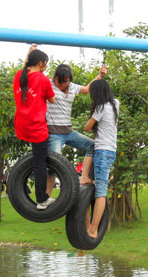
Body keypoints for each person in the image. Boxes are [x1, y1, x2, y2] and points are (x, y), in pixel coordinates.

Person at [45, 64, 107, 196]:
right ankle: (46, 197)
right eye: (60, 81)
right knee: (54, 165)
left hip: (69, 132)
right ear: (55, 77)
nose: (62, 84)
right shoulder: (47, 84)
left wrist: (100, 76)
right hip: (54, 133)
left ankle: (85, 177)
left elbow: (88, 89)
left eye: (66, 81)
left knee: (94, 146)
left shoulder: (72, 86)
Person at [13, 45, 56, 210]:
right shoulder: (43, 80)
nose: (46, 67)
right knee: (40, 162)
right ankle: (41, 199)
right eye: (45, 64)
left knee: (34, 159)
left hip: (21, 125)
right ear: (40, 63)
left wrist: (29, 52)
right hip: (36, 127)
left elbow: (26, 66)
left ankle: (22, 186)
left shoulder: (19, 76)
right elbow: (52, 100)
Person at [84, 79, 119, 239]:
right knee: (97, 188)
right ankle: (88, 226)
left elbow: (87, 127)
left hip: (102, 151)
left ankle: (93, 228)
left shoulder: (101, 107)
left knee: (100, 192)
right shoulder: (115, 104)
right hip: (111, 150)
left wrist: (93, 115)